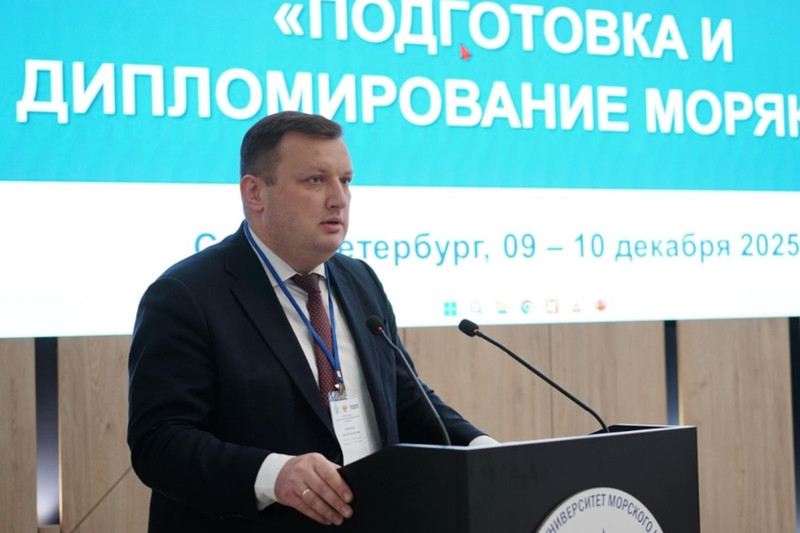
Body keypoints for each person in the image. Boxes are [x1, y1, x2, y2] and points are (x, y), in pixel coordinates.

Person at [127, 111, 494, 532]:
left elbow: (405, 397)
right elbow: (159, 443)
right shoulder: (186, 295)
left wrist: (481, 449)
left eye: (346, 181)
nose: (339, 198)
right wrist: (275, 474)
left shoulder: (359, 280)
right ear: (254, 192)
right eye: (315, 180)